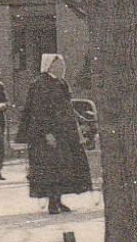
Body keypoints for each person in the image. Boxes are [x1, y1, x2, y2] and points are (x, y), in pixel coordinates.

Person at [19, 54, 93, 214]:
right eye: (59, 65)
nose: (63, 68)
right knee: (51, 168)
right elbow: (38, 111)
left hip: (64, 132)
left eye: (63, 65)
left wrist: (81, 120)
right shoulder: (40, 84)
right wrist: (47, 133)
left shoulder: (62, 84)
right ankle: (52, 202)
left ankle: (59, 200)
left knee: (64, 167)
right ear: (50, 66)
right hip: (46, 134)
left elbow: (67, 107)